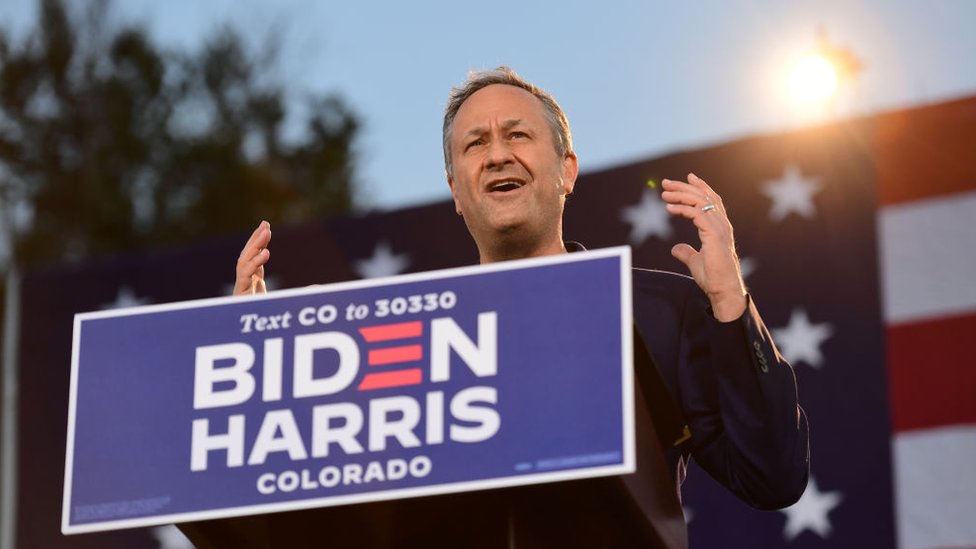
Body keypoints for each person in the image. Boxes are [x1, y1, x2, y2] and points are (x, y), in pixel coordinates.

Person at [225, 67, 809, 548]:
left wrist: (732, 306)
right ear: (455, 190)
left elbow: (771, 477)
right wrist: (261, 378)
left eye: (518, 135)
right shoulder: (401, 335)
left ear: (567, 171)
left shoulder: (657, 310)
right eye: (475, 144)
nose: (497, 154)